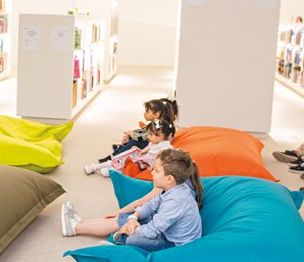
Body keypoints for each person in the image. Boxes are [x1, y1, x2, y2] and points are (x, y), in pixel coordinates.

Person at [62, 148, 203, 252]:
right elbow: (149, 205)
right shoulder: (170, 189)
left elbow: (154, 230)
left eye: (156, 170)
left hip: (174, 245)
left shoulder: (177, 200)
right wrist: (133, 217)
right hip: (165, 231)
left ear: (169, 179)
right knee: (132, 220)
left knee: (134, 238)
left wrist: (132, 229)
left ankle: (119, 246)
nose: (151, 171)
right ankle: (89, 228)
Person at [97, 98, 178, 163]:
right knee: (133, 136)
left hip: (154, 145)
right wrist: (130, 133)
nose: (144, 114)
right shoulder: (159, 122)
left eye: (147, 111)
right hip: (152, 142)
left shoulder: (160, 125)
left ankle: (114, 157)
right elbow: (144, 130)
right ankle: (120, 149)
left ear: (156, 114)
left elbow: (143, 137)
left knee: (135, 140)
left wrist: (131, 134)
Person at [84, 118, 174, 176]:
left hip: (144, 165)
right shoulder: (154, 142)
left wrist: (141, 154)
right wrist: (140, 150)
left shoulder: (165, 148)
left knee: (127, 159)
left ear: (160, 136)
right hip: (141, 159)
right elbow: (146, 151)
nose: (148, 137)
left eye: (150, 135)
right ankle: (96, 166)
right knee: (126, 154)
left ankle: (114, 169)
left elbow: (155, 159)